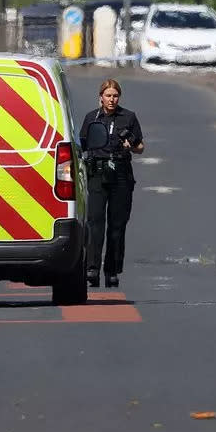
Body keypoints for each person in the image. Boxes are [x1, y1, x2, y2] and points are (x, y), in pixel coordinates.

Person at [79, 79, 144, 288]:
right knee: (95, 221)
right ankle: (92, 268)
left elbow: (140, 146)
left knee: (117, 225)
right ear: (101, 97)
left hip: (121, 174)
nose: (112, 100)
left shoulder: (128, 117)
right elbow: (82, 144)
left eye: (115, 96)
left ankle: (112, 270)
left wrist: (131, 146)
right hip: (97, 173)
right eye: (108, 95)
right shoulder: (91, 118)